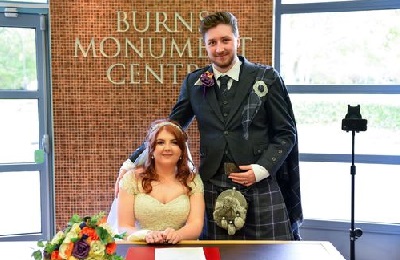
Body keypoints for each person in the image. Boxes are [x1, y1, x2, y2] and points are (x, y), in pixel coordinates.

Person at [116, 11, 303, 240]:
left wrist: (261, 169)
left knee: (271, 253)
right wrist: (131, 161)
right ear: (205, 46)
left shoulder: (266, 77)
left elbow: (286, 134)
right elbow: (171, 126)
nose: (220, 48)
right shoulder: (195, 83)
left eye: (225, 40)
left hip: (259, 183)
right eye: (212, 42)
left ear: (237, 40)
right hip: (213, 184)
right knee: (217, 255)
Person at [112, 119, 205, 244]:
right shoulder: (132, 179)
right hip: (142, 249)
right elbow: (124, 227)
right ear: (151, 150)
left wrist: (178, 235)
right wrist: (145, 235)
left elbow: (196, 225)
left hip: (182, 250)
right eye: (160, 142)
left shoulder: (193, 181)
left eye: (174, 143)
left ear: (182, 151)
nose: (167, 148)